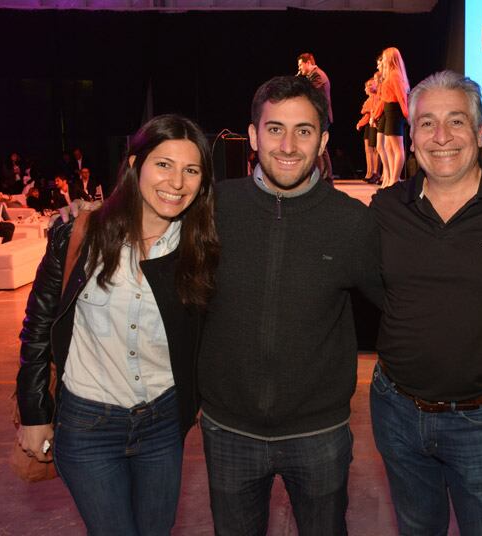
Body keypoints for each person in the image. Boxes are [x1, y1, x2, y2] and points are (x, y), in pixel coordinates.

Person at [15, 114, 220, 535]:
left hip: (162, 424)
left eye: (191, 170)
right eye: (163, 164)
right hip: (88, 425)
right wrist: (35, 414)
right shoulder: (80, 233)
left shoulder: (201, 247)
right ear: (133, 165)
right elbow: (38, 326)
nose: (176, 182)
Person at [198, 75, 382, 536]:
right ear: (254, 135)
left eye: (303, 131)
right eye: (275, 128)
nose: (287, 144)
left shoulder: (351, 222)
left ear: (322, 139)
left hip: (318, 434)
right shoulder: (213, 209)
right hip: (228, 431)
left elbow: (396, 304)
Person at [369, 70, 482, 535]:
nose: (441, 137)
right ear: (410, 138)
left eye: (456, 121)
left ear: (480, 132)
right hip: (395, 411)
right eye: (426, 123)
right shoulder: (386, 209)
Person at [373, 47, 410, 188]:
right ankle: (390, 180)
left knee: (397, 148)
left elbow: (401, 96)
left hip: (395, 111)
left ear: (390, 58)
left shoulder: (395, 75)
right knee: (388, 146)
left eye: (384, 57)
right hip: (389, 111)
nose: (383, 60)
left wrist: (406, 113)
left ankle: (394, 181)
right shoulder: (391, 75)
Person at [297, 52, 333, 181]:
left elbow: (309, 94)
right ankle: (325, 179)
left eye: (301, 65)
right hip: (319, 115)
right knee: (320, 148)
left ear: (308, 63)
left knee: (320, 148)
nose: (299, 68)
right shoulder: (313, 75)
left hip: (320, 116)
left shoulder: (317, 75)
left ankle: (325, 179)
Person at [356, 77, 380, 182]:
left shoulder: (376, 97)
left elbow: (369, 112)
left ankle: (375, 173)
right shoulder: (369, 99)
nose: (368, 88)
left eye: (370, 85)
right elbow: (365, 111)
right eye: (367, 86)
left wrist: (360, 123)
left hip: (374, 123)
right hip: (369, 124)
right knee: (369, 150)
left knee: (375, 150)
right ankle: (369, 173)